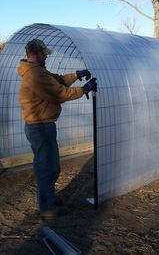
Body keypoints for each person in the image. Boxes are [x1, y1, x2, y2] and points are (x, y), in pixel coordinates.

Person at [17, 39, 97, 220]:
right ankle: (47, 209)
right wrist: (84, 89)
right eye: (44, 53)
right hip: (40, 127)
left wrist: (76, 74)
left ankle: (49, 199)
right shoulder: (34, 75)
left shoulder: (38, 70)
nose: (46, 56)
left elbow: (58, 81)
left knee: (50, 166)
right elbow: (59, 93)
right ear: (35, 54)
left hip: (42, 125)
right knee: (47, 167)